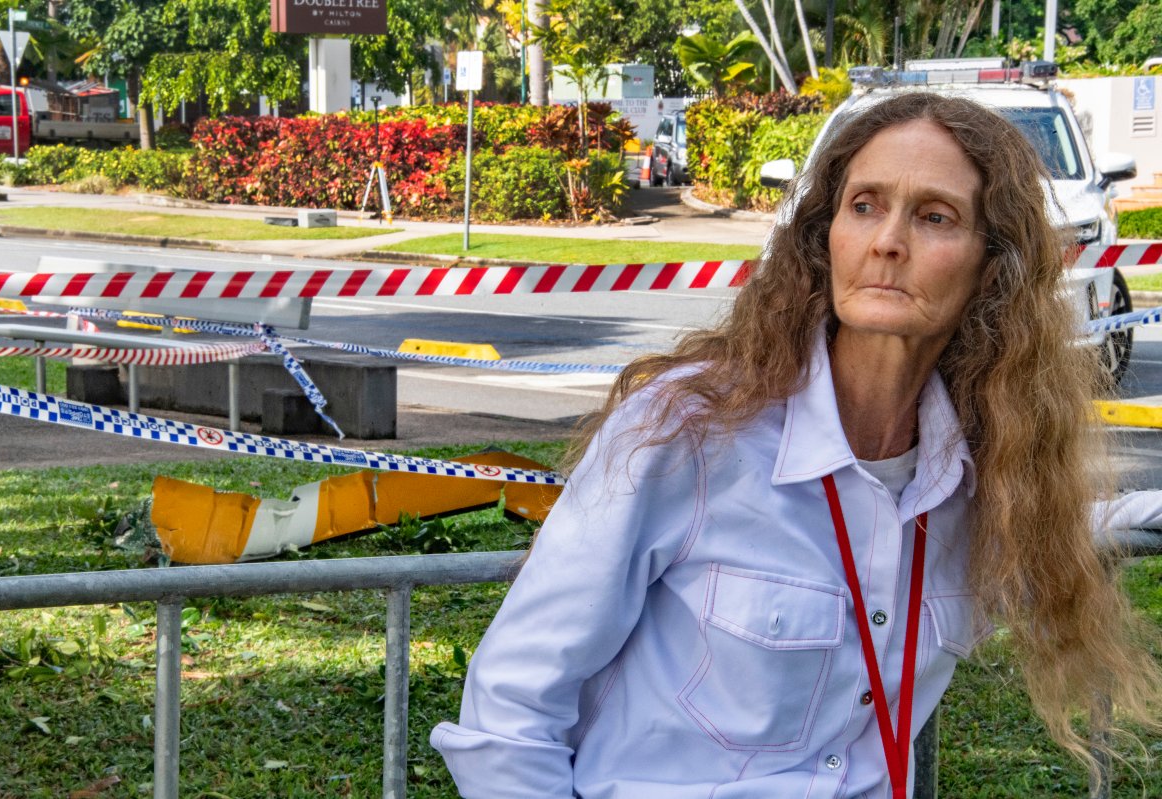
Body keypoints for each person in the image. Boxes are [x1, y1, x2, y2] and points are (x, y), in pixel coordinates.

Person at [431, 92, 1162, 798]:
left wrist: (1118, 516)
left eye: (935, 217)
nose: (887, 241)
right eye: (864, 205)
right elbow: (508, 715)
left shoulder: (986, 473)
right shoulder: (689, 431)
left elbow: (1033, 534)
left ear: (990, 266)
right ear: (824, 235)